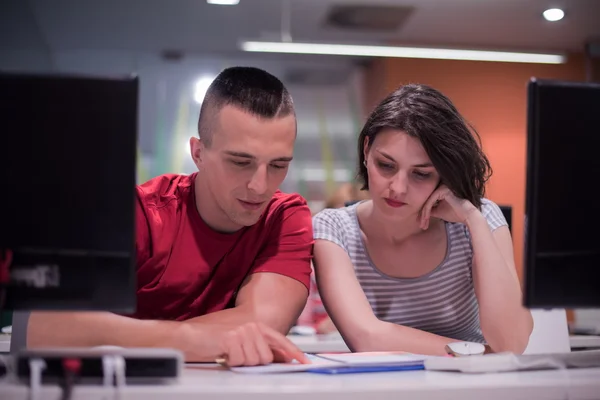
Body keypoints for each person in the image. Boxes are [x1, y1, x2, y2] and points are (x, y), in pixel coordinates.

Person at [24, 66, 312, 366]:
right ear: (198, 153)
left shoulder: (284, 216)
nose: (260, 186)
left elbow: (263, 326)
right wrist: (187, 341)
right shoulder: (141, 214)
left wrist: (117, 334)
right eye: (241, 162)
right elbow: (44, 326)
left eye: (278, 165)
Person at [311, 83, 534, 356]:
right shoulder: (333, 228)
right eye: (386, 165)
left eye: (421, 174)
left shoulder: (480, 218)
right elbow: (368, 338)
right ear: (367, 150)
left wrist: (474, 219)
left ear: (443, 174)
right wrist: (480, 354)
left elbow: (512, 342)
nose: (398, 187)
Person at [297, 182, 369, 334]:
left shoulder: (374, 268)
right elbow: (303, 326)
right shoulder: (311, 271)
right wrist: (322, 328)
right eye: (336, 216)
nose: (342, 227)